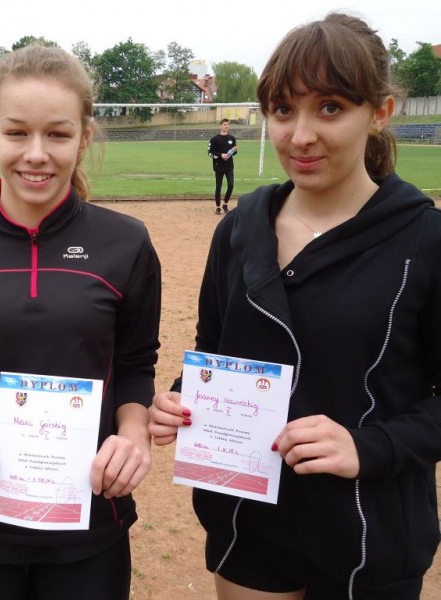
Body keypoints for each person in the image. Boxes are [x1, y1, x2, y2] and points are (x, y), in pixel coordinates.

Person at [149, 12, 441, 600]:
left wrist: (368, 446)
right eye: (283, 110)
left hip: (365, 534)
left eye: (330, 107)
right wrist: (183, 398)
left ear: (379, 112)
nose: (300, 135)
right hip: (248, 523)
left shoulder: (425, 241)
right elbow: (215, 347)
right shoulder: (239, 230)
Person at [0, 44, 161, 600]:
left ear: (84, 137)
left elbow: (136, 367)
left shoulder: (127, 243)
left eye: (58, 134)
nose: (36, 154)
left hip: (91, 514)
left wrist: (134, 434)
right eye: (17, 133)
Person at [207, 118, 237, 214]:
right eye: (225, 124)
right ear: (221, 126)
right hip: (218, 166)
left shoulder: (232, 138)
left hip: (229, 166)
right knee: (218, 187)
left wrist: (233, 151)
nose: (226, 126)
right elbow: (210, 153)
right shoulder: (214, 139)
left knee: (231, 185)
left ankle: (225, 204)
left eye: (227, 124)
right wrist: (221, 155)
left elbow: (234, 152)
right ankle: (218, 207)